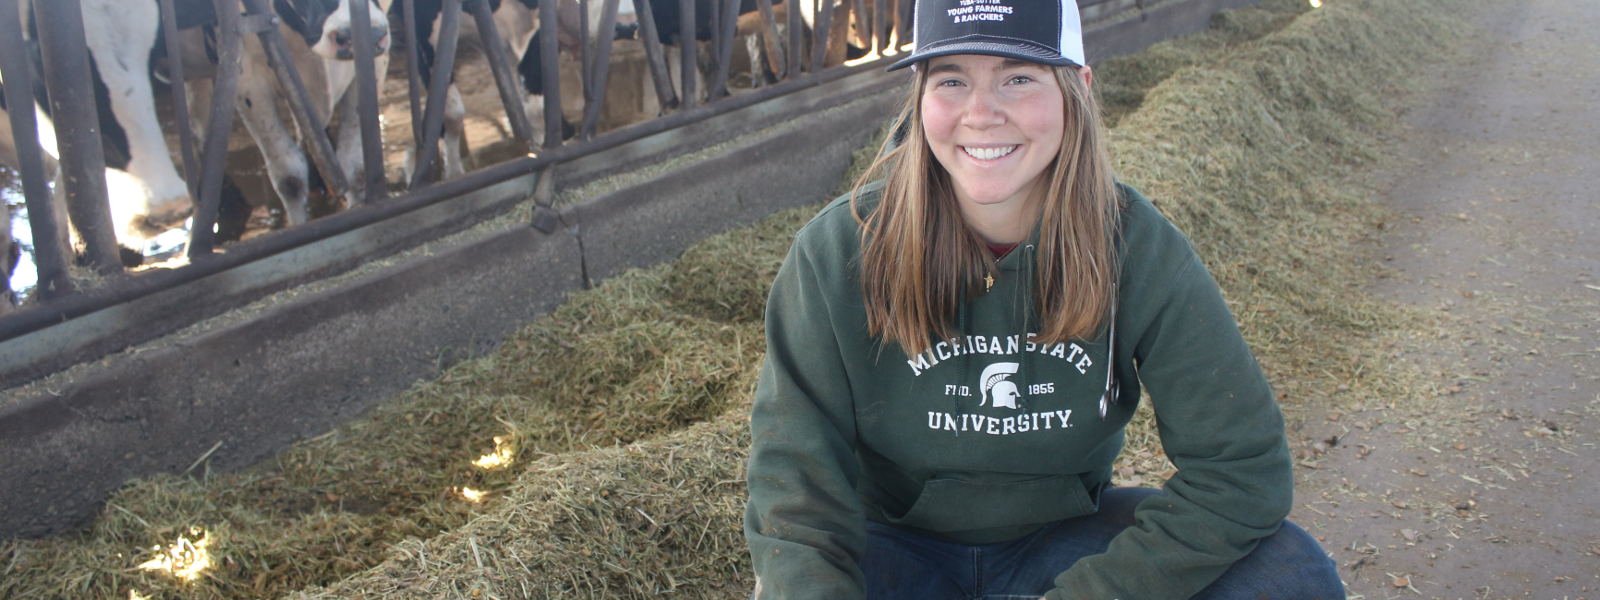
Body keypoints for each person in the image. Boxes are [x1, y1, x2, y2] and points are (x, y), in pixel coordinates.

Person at [742, 0, 1344, 598]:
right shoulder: (841, 249)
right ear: (920, 95)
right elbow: (794, 488)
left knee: (1290, 574)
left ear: (1077, 87)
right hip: (893, 547)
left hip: (1061, 543)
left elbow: (1240, 473)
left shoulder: (1135, 245)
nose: (981, 113)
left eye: (1019, 77)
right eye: (951, 79)